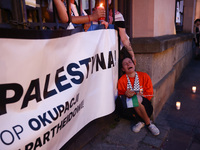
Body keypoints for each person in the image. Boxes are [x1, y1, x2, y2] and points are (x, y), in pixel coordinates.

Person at [117, 54, 160, 136]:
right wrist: (126, 94)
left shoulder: (144, 76)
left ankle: (145, 122)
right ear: (123, 69)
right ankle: (146, 122)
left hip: (146, 107)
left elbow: (150, 94)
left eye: (130, 62)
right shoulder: (122, 80)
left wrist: (138, 95)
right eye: (125, 64)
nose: (128, 64)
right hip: (131, 110)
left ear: (134, 64)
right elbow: (121, 97)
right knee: (133, 99)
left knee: (135, 98)